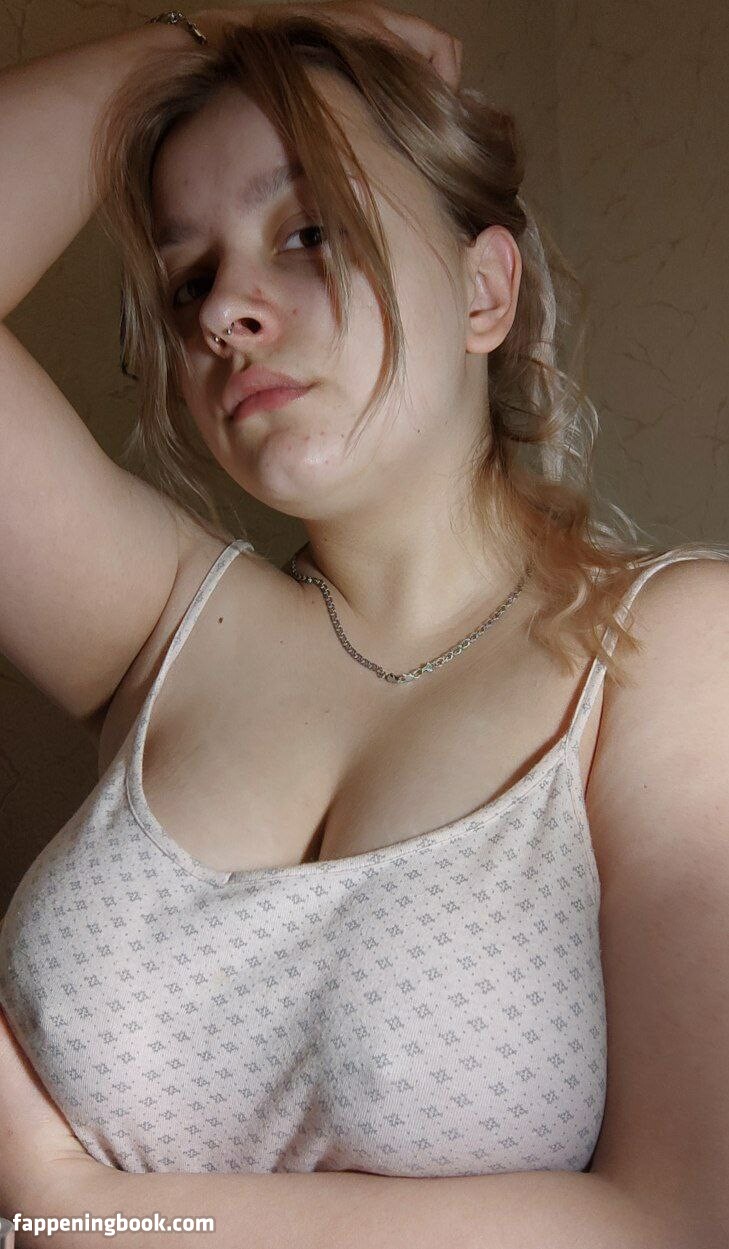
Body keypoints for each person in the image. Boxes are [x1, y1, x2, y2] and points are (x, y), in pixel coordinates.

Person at [0, 4, 727, 1243]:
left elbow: (682, 1217)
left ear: (484, 289)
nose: (224, 310)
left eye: (307, 232)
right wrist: (211, 33)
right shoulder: (161, 625)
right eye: (189, 276)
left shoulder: (668, 652)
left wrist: (79, 1213)